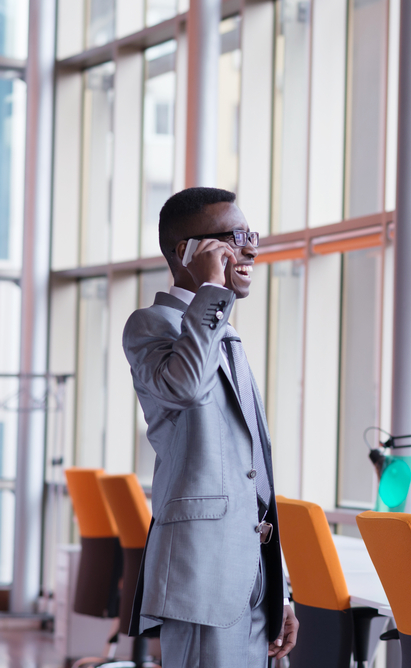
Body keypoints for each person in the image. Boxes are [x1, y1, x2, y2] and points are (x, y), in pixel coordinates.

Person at [123, 187, 298, 667]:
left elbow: (253, 476)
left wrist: (280, 589)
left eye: (250, 234)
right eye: (233, 237)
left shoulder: (222, 329)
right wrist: (210, 293)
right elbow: (183, 388)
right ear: (188, 251)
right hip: (202, 576)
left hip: (254, 576)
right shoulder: (152, 325)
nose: (251, 248)